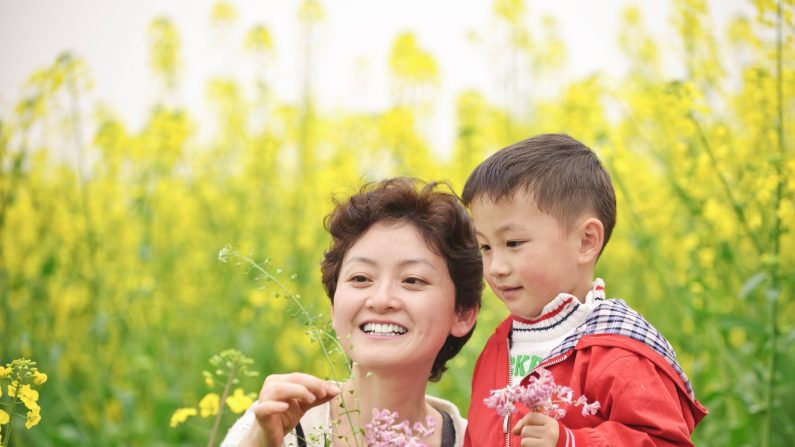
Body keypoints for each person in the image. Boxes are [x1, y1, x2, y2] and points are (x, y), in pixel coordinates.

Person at [461, 134, 708, 446]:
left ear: (586, 241)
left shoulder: (617, 350)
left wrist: (571, 442)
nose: (496, 266)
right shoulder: (500, 347)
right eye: (485, 247)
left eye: (513, 243)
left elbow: (664, 441)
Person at [221, 177, 482, 447]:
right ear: (334, 306)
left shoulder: (480, 440)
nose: (381, 300)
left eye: (412, 280)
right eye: (360, 278)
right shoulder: (273, 427)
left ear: (462, 313)